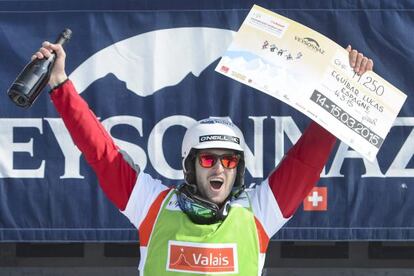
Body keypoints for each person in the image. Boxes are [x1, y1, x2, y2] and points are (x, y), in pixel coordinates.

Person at [34, 42, 373, 275]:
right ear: (190, 166)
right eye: (209, 160)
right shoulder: (151, 204)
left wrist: (343, 88)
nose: (220, 169)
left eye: (229, 162)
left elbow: (307, 159)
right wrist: (59, 83)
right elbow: (101, 152)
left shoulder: (260, 212)